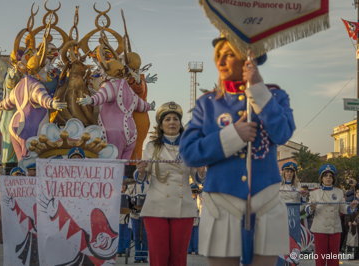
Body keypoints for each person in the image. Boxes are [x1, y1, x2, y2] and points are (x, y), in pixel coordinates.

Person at [179, 35, 296, 266]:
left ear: (248, 59)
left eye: (230, 54)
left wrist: (259, 91)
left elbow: (282, 132)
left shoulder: (275, 96)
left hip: (266, 199)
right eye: (218, 56)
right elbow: (189, 153)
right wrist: (232, 136)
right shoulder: (208, 104)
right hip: (222, 200)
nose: (221, 61)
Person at [134, 102, 205, 266]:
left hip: (184, 208)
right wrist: (142, 170)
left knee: (179, 257)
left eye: (175, 119)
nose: (172, 122)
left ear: (180, 123)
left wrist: (201, 171)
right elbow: (141, 177)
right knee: (159, 254)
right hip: (156, 207)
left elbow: (198, 178)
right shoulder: (152, 147)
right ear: (161, 124)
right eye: (167, 119)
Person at [306, 164, 358, 266]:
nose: (328, 178)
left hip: (335, 228)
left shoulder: (339, 192)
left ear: (333, 178)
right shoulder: (314, 193)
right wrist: (311, 207)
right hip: (320, 229)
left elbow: (343, 209)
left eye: (331, 176)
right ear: (321, 178)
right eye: (325, 175)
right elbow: (308, 210)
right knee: (320, 258)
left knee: (333, 258)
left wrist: (351, 207)